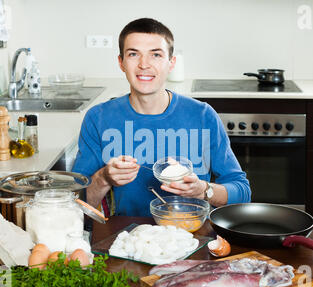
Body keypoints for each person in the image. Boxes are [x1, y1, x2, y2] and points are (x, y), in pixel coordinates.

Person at [72, 17, 251, 217]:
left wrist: (204, 190)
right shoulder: (98, 118)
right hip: (127, 239)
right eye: (133, 54)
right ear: (121, 62)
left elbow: (242, 192)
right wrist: (104, 178)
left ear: (171, 63)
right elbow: (75, 204)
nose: (144, 64)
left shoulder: (202, 115)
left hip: (193, 238)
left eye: (156, 55)